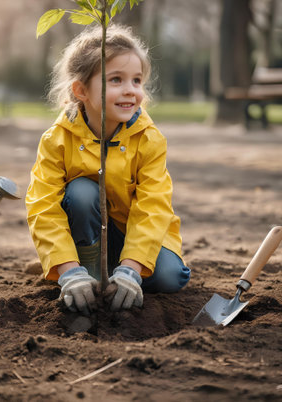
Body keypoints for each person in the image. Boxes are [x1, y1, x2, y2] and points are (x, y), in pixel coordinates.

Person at [26, 24, 190, 316]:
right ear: (81, 90)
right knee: (80, 192)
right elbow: (42, 206)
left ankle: (118, 271)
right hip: (87, 233)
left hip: (132, 231)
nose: (130, 90)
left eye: (137, 80)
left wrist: (132, 267)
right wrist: (67, 269)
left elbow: (153, 206)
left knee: (170, 277)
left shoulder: (149, 139)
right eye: (116, 79)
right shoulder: (56, 140)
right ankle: (84, 273)